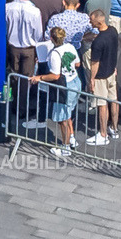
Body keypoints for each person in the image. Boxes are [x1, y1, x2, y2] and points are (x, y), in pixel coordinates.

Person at [30, 26, 81, 157]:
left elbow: (55, 75)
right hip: (75, 82)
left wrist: (39, 77)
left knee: (62, 118)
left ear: (52, 38)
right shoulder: (70, 47)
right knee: (68, 113)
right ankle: (72, 138)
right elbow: (77, 64)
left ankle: (65, 147)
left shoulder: (54, 54)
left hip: (63, 87)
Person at [86, 9, 120, 146]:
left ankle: (103, 134)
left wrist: (92, 79)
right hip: (112, 71)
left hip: (101, 76)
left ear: (98, 22)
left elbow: (95, 63)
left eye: (92, 20)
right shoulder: (113, 31)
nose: (90, 22)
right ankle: (114, 128)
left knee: (102, 105)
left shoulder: (98, 42)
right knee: (114, 100)